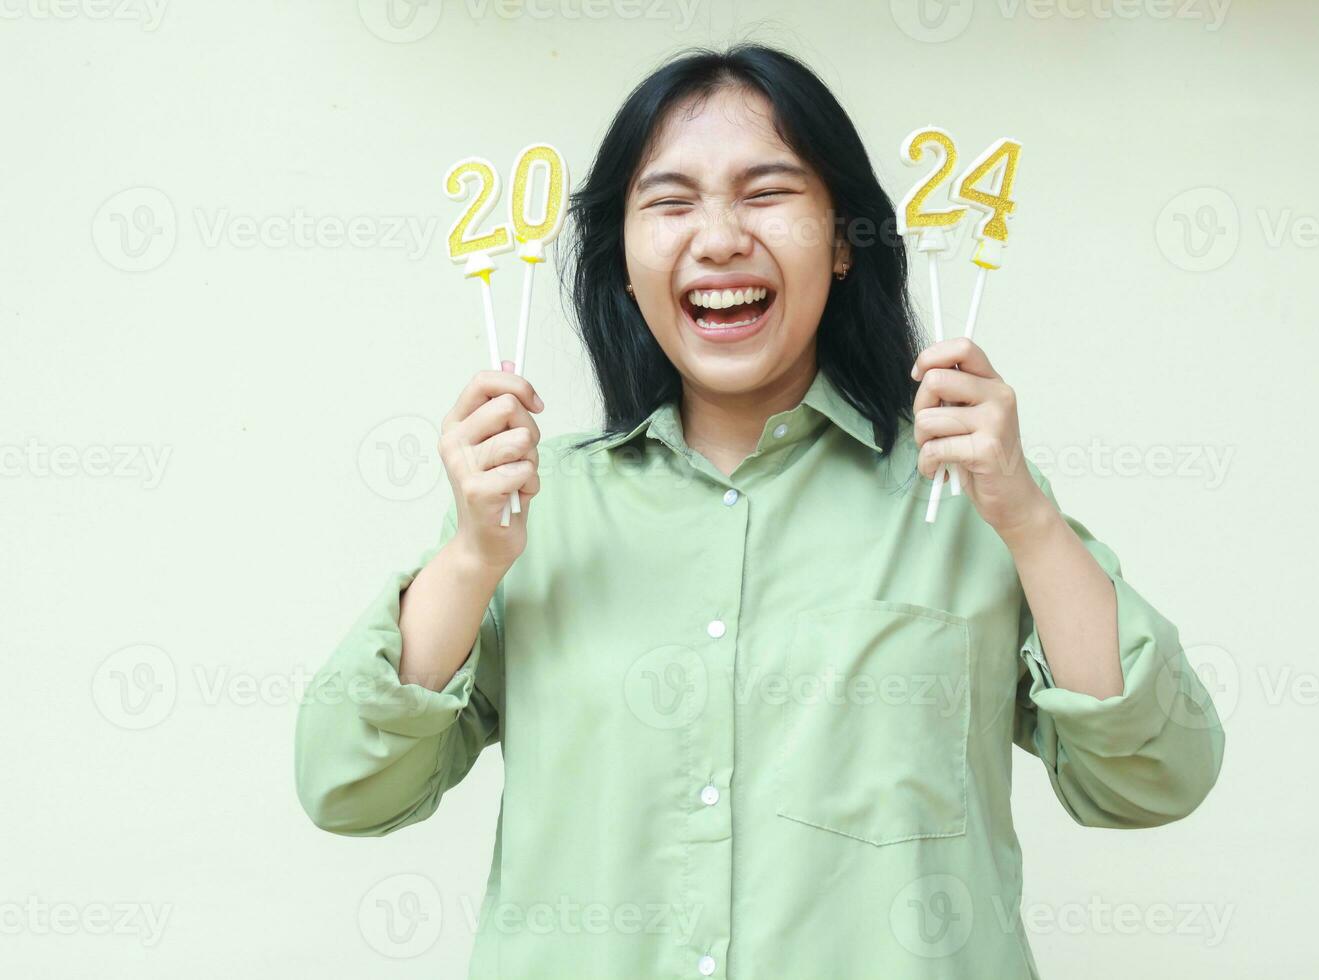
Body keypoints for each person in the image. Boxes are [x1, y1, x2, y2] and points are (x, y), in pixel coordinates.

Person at [294, 43, 1225, 979]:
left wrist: (1027, 520)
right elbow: (350, 787)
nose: (721, 237)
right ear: (622, 261)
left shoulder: (964, 499)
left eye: (767, 192)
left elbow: (1156, 778)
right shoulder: (540, 510)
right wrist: (468, 561)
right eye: (670, 201)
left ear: (844, 240)